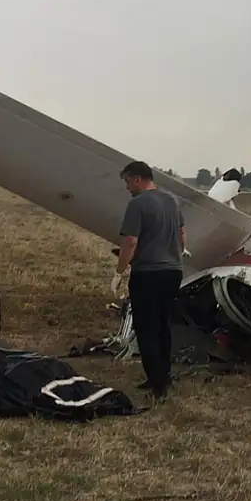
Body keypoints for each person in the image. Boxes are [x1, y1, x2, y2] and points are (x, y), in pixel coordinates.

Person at [113, 160, 186, 402]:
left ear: (136, 179)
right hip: (173, 271)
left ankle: (158, 386)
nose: (126, 187)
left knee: (146, 328)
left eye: (126, 182)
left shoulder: (137, 203)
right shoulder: (172, 200)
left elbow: (130, 241)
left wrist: (119, 271)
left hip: (148, 273)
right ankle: (163, 376)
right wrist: (175, 254)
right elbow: (182, 235)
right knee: (164, 324)